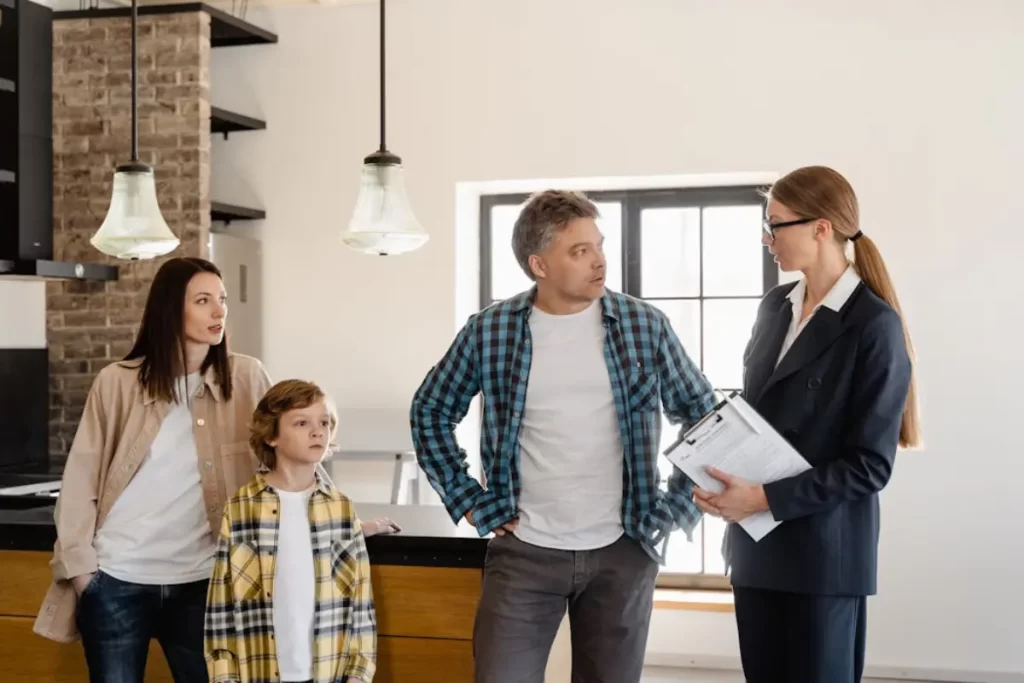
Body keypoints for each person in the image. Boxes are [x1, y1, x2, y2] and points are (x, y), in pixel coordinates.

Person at [410, 189, 716, 683]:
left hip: (624, 547)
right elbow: (431, 411)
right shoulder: (490, 331)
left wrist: (677, 507)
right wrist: (470, 500)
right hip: (524, 550)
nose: (599, 261)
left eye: (598, 245)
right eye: (580, 251)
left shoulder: (644, 325)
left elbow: (703, 416)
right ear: (539, 265)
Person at [692, 166, 921, 683]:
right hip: (756, 549)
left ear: (821, 228)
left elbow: (869, 466)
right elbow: (755, 416)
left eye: (775, 225)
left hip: (823, 558)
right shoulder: (776, 306)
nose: (765, 238)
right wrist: (716, 481)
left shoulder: (874, 325)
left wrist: (765, 498)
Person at [33, 257, 273, 683]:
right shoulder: (118, 382)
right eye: (203, 301)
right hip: (116, 578)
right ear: (169, 309)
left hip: (205, 580)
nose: (218, 312)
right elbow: (80, 480)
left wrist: (340, 517)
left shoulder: (247, 378)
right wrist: (84, 572)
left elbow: (286, 456)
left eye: (221, 300)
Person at [205, 379, 376, 683]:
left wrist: (358, 676)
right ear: (272, 436)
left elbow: (360, 608)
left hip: (328, 673)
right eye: (301, 423)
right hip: (258, 672)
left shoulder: (342, 510)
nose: (317, 431)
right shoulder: (242, 509)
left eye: (324, 422)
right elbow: (221, 608)